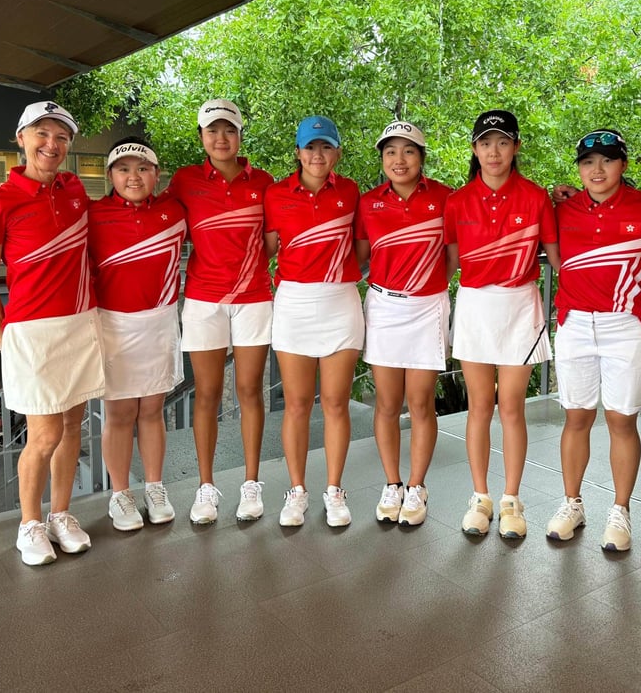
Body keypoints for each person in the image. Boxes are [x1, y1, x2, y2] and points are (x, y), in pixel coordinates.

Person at [0, 101, 105, 566]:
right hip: (31, 331)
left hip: (78, 323)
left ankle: (61, 514)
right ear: (22, 138)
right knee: (44, 434)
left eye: (62, 137)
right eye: (42, 133)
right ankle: (30, 523)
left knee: (72, 427)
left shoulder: (74, 190)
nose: (52, 144)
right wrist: (2, 336)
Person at [444, 109, 559, 539]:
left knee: (511, 407)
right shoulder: (456, 201)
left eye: (503, 142)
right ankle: (480, 498)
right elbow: (448, 263)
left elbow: (557, 256)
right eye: (486, 143)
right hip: (475, 306)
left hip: (521, 308)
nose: (494, 151)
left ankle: (511, 499)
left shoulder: (536, 197)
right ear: (474, 149)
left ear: (516, 148)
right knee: (479, 406)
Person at [546, 129, 641, 552]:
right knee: (576, 417)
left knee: (621, 420)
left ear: (623, 165)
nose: (597, 169)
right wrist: (558, 195)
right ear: (578, 168)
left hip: (626, 326)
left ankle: (620, 511)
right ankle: (572, 504)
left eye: (607, 160)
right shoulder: (563, 208)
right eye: (588, 161)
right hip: (575, 324)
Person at [167, 100, 275, 525]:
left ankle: (251, 484)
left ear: (240, 135)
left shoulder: (263, 182)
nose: (221, 138)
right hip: (203, 300)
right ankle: (205, 487)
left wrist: (249, 269)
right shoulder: (185, 181)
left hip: (253, 298)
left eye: (229, 130)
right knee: (207, 395)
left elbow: (272, 240)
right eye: (212, 131)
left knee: (249, 391)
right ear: (201, 138)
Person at [264, 115, 363, 528]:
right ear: (298, 152)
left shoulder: (352, 192)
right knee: (299, 404)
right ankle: (297, 490)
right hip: (295, 304)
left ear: (337, 152)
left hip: (340, 301)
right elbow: (268, 249)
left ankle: (335, 490)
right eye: (310, 147)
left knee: (337, 403)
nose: (317, 155)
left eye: (325, 147)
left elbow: (362, 248)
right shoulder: (275, 194)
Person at [355, 121, 453, 526]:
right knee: (387, 403)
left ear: (422, 157)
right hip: (383, 306)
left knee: (420, 401)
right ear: (382, 158)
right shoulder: (368, 203)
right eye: (391, 151)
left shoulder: (446, 198)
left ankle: (416, 487)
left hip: (428, 307)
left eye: (409, 151)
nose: (399, 160)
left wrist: (428, 286)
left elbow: (452, 257)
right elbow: (363, 257)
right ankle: (392, 483)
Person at [89, 138, 187, 531]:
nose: (134, 176)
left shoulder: (175, 208)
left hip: (160, 321)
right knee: (119, 413)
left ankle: (154, 487)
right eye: (124, 169)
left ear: (156, 174)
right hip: (112, 323)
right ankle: (120, 494)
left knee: (151, 411)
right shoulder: (91, 213)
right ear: (111, 175)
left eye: (143, 168)